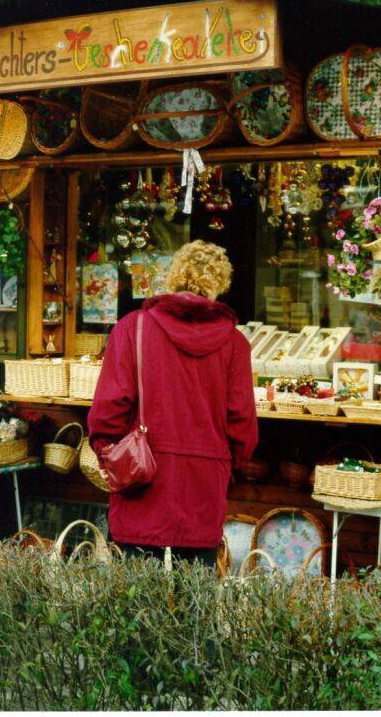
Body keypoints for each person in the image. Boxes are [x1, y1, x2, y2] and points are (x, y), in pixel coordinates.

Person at [88, 239, 258, 566]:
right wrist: (225, 464)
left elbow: (108, 409)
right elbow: (242, 424)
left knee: (135, 601)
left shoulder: (132, 328)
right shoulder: (235, 343)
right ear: (219, 284)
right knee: (195, 600)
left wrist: (108, 451)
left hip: (142, 475)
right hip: (204, 480)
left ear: (174, 275)